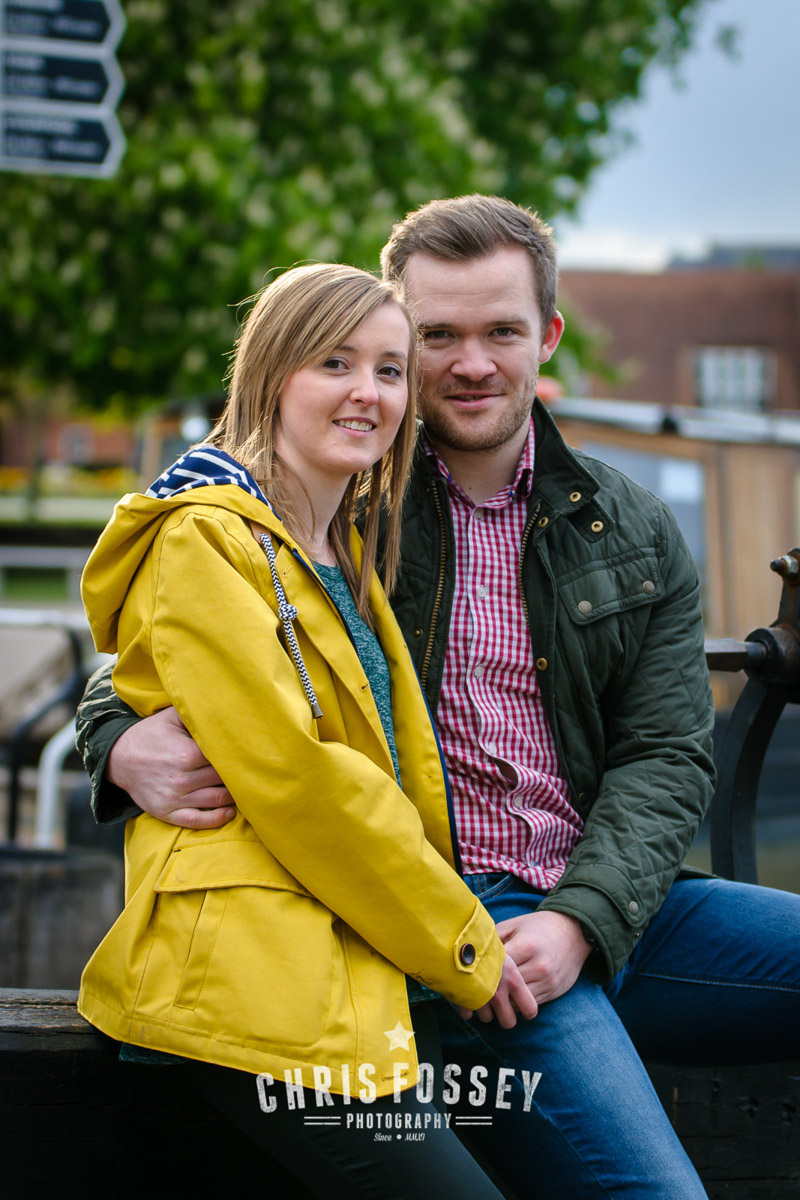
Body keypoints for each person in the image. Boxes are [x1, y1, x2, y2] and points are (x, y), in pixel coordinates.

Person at [79, 198, 800, 1198]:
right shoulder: (348, 486)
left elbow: (668, 752)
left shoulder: (628, 524)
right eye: (437, 336)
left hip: (609, 900)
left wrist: (586, 919)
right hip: (458, 924)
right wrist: (115, 735)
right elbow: (189, 632)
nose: (470, 364)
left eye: (501, 331)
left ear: (546, 336)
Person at [77, 261, 539, 1200]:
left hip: (346, 954)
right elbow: (296, 776)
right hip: (253, 976)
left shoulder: (345, 549)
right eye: (335, 362)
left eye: (389, 370)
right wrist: (461, 942)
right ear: (271, 375)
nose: (368, 391)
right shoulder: (205, 537)